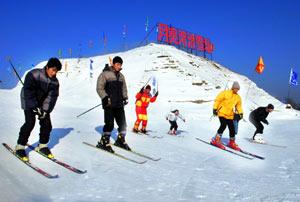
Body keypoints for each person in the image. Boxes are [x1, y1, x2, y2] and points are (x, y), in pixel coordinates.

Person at [15, 58, 62, 161]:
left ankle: (42, 146)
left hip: (41, 102)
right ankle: (20, 146)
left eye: (56, 71)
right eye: (53, 70)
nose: (54, 73)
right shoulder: (34, 74)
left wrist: (45, 111)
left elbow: (51, 98)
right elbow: (28, 91)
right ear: (47, 67)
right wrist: (34, 106)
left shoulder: (55, 82)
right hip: (28, 99)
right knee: (30, 122)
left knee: (47, 123)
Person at [96, 56, 130, 153]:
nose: (119, 66)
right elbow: (99, 88)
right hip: (109, 103)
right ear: (113, 64)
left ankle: (120, 140)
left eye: (120, 64)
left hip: (119, 103)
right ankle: (104, 141)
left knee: (123, 124)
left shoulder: (121, 76)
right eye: (117, 64)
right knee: (109, 124)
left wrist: (125, 97)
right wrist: (105, 97)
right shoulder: (105, 74)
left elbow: (124, 88)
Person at [210, 81, 243, 151]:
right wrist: (215, 108)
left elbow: (239, 106)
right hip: (221, 112)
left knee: (232, 128)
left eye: (238, 89)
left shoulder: (238, 97)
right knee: (223, 125)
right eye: (236, 88)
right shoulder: (225, 93)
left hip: (230, 115)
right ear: (233, 87)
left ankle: (232, 142)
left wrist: (241, 113)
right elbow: (218, 100)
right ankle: (216, 140)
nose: (236, 90)